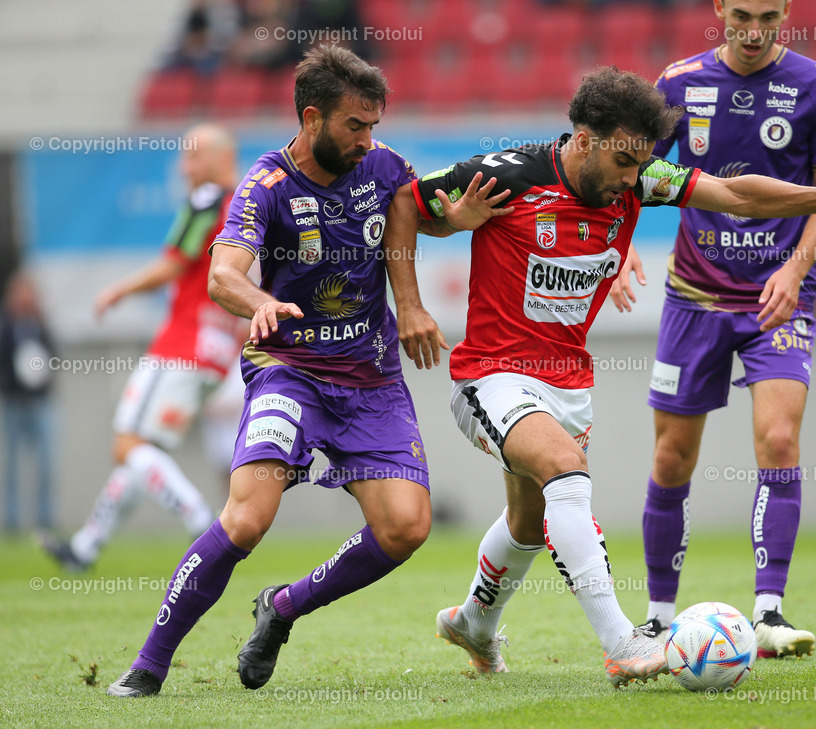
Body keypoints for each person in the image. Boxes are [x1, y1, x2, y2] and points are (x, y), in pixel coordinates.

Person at [384, 66, 816, 687]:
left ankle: (473, 623)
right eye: (624, 160)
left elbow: (736, 194)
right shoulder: (507, 174)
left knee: (525, 521)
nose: (633, 179)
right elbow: (403, 205)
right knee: (565, 473)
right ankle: (624, 643)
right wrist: (411, 304)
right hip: (490, 376)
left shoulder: (644, 181)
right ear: (583, 136)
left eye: (641, 164)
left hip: (567, 383)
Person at [104, 45, 496, 698]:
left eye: (374, 125)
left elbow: (410, 215)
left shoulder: (384, 167)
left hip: (371, 381)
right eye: (355, 125)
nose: (368, 139)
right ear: (311, 117)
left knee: (406, 526)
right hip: (290, 372)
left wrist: (449, 229)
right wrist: (261, 302)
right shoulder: (267, 185)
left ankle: (281, 609)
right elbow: (223, 273)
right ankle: (148, 664)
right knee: (246, 520)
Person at [610, 0, 816, 658]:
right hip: (694, 294)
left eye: (770, 18)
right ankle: (660, 617)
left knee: (779, 437)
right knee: (671, 456)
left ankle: (771, 612)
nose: (754, 32)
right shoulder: (677, 83)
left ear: (787, 12)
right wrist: (619, 244)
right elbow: (630, 173)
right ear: (719, 7)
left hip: (780, 296)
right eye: (743, 14)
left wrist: (795, 268)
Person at [38, 124, 240, 573]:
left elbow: (174, 262)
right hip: (217, 352)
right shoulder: (250, 208)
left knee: (128, 444)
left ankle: (201, 520)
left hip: (181, 344)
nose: (183, 167)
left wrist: (120, 289)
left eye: (192, 156)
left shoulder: (208, 200)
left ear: (220, 157)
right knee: (144, 452)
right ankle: (87, 547)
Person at [1, 271, 57, 533]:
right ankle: (12, 521)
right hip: (13, 402)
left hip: (40, 403)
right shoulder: (6, 326)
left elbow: (52, 357)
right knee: (10, 465)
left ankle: (45, 519)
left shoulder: (40, 324)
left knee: (46, 464)